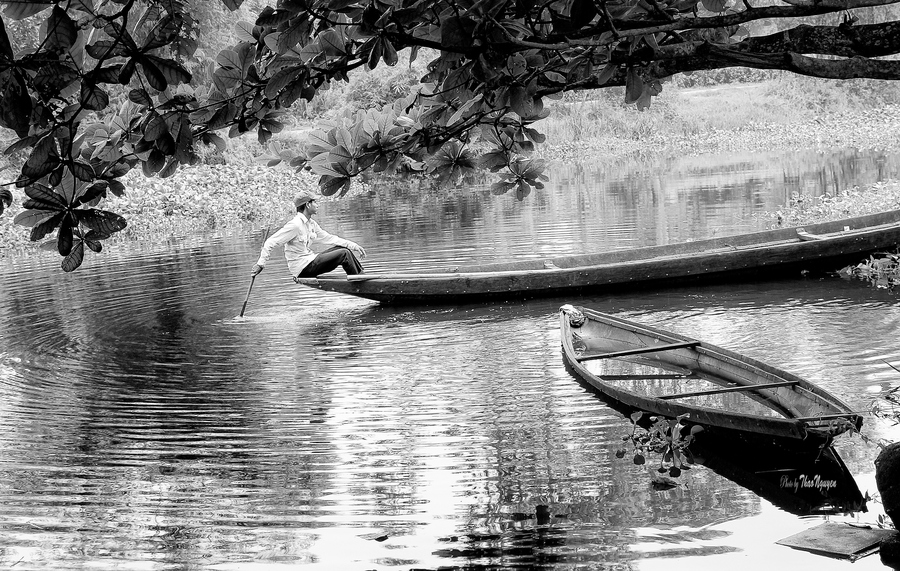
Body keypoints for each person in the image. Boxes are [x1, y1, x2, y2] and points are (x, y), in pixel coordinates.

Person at [251, 191, 367, 279]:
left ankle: (361, 276)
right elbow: (270, 243)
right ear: (307, 204)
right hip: (303, 268)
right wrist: (261, 264)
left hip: (310, 260)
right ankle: (358, 282)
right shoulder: (295, 225)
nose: (317, 205)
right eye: (315, 202)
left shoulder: (311, 224)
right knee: (344, 254)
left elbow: (329, 238)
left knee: (343, 249)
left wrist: (353, 245)